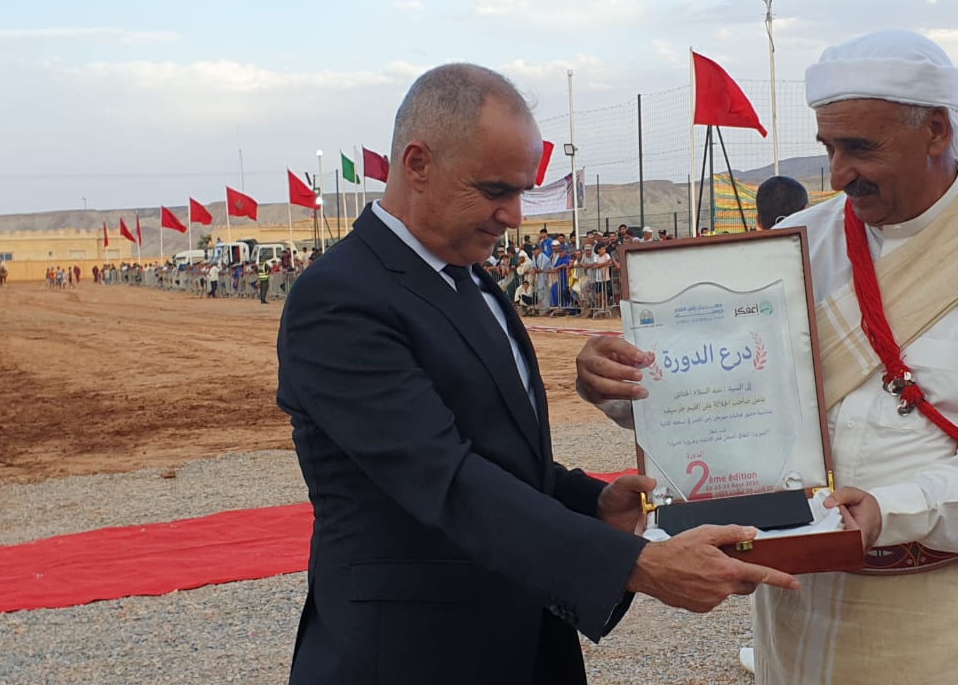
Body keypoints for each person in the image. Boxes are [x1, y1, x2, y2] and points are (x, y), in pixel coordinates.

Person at [575, 30, 958, 684]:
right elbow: (728, 400)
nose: (839, 174)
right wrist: (619, 385)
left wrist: (891, 512)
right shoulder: (797, 242)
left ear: (935, 131)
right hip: (806, 610)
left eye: (861, 148)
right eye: (829, 148)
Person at [276, 62, 798, 685]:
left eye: (522, 190)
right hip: (410, 651)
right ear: (417, 163)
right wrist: (637, 564)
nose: (514, 215)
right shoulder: (340, 298)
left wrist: (591, 502)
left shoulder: (469, 279)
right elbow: (443, 477)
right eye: (496, 190)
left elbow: (501, 455)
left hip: (521, 637)